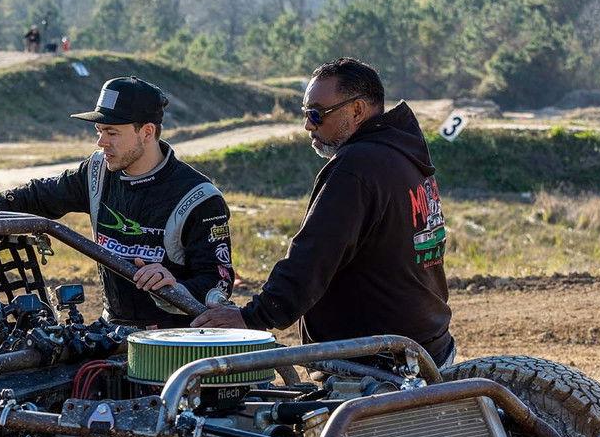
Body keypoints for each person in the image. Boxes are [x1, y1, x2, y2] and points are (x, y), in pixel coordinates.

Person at [193, 58, 455, 366]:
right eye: (305, 113)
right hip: (428, 345)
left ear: (357, 110)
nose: (308, 125)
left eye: (317, 113)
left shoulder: (357, 166)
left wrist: (253, 317)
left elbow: (313, 255)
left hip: (377, 362)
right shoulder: (404, 156)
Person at [0, 76, 234, 329]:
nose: (101, 142)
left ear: (147, 132)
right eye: (99, 131)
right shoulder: (96, 170)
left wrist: (174, 285)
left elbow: (219, 284)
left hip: (175, 339)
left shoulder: (199, 198)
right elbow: (35, 197)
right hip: (112, 329)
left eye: (112, 132)